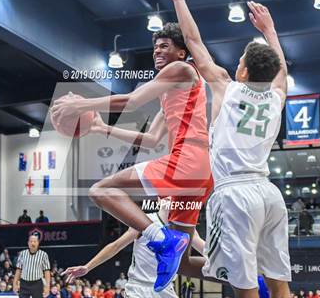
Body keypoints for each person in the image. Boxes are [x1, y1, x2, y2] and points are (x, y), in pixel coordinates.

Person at [52, 21, 213, 290]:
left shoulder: (181, 70)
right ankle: (245, 277)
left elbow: (132, 101)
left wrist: (80, 104)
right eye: (155, 47)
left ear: (181, 53)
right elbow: (150, 140)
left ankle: (161, 239)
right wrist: (104, 128)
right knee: (184, 263)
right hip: (198, 174)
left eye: (165, 46)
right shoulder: (173, 92)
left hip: (187, 162)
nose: (157, 51)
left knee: (101, 190)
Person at [170, 0, 291, 298]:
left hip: (235, 195)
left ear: (245, 73)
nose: (235, 65)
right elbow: (281, 73)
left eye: (239, 62)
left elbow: (192, 40)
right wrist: (270, 31)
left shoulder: (226, 86)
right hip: (269, 194)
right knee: (279, 284)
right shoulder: (277, 96)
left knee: (243, 284)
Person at [63, 201, 205, 298]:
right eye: (166, 195)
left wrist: (225, 263)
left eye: (173, 196)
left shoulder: (183, 226)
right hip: (139, 288)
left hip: (165, 289)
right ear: (159, 199)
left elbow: (206, 249)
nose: (169, 199)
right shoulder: (144, 221)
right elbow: (116, 246)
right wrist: (88, 267)